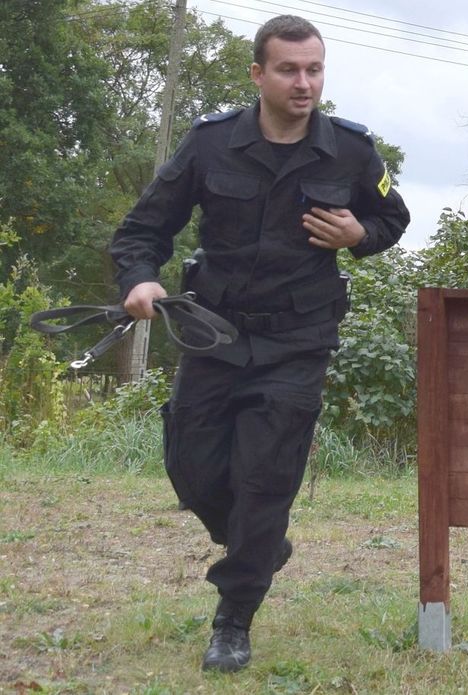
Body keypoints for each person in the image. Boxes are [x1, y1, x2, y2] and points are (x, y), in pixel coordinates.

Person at [109, 15, 410, 672]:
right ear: (259, 74)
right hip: (213, 332)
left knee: (264, 480)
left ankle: (233, 618)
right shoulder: (211, 143)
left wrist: (359, 232)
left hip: (298, 340)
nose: (304, 83)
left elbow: (394, 217)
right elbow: (143, 230)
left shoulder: (352, 152)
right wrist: (139, 280)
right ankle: (259, 541)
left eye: (314, 69)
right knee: (191, 467)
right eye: (289, 70)